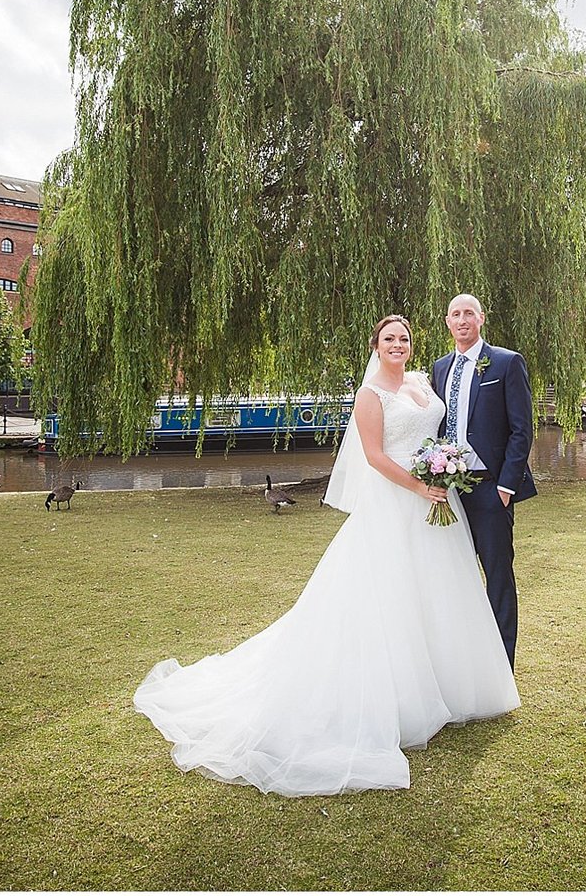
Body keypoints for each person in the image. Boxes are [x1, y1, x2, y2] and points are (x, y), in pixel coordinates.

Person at [133, 314, 519, 796]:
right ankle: (398, 699)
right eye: (388, 339)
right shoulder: (370, 394)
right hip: (398, 501)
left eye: (404, 339)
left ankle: (450, 685)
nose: (397, 345)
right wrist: (421, 484)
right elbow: (376, 457)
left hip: (438, 500)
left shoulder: (423, 382)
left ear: (412, 346)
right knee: (389, 595)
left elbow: (441, 433)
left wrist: (443, 471)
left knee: (438, 592)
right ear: (375, 346)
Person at [432, 294, 536, 668]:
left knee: (498, 578)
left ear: (481, 319)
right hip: (450, 491)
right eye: (455, 314)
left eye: (468, 314)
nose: (462, 320)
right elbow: (440, 426)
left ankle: (501, 667)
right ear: (447, 322)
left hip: (491, 489)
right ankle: (464, 664)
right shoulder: (440, 367)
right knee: (452, 575)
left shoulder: (507, 363)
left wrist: (506, 487)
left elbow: (522, 430)